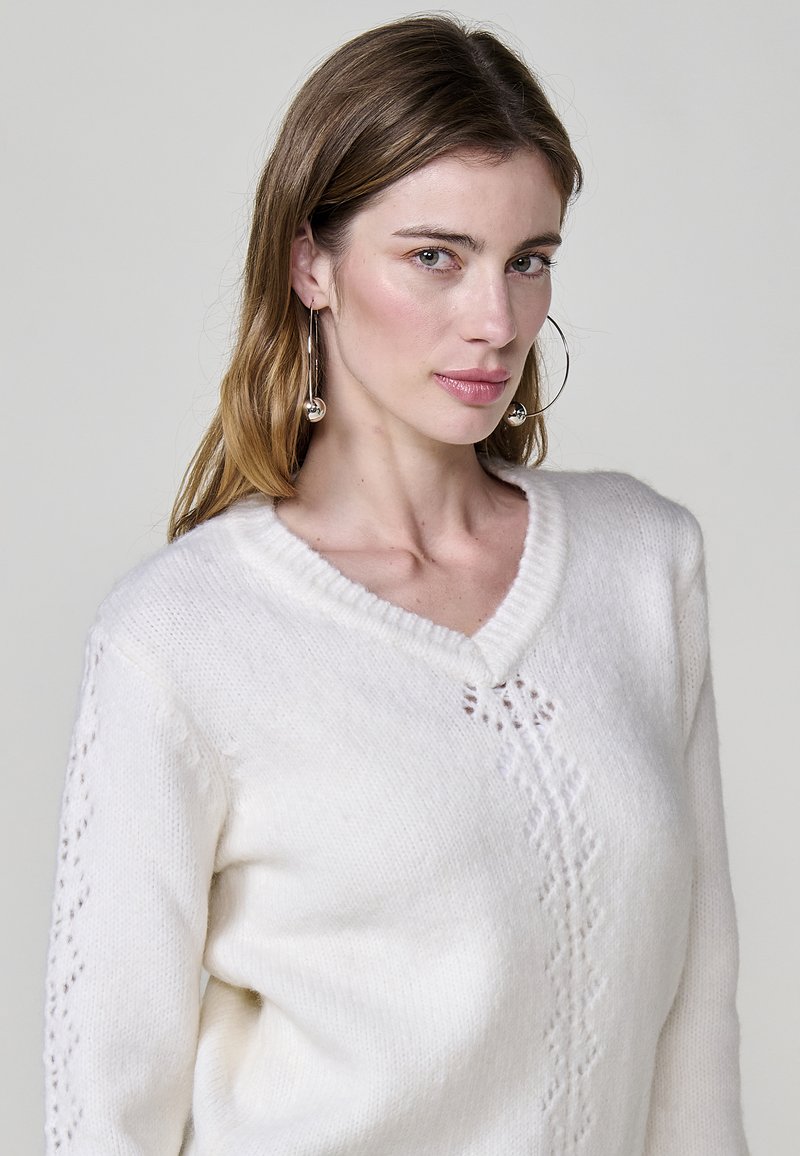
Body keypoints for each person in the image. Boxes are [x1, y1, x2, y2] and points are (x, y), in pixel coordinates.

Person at [43, 13, 749, 1155]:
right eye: (435, 257)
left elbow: (694, 1031)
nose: (496, 322)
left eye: (527, 260)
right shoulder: (179, 637)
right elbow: (103, 1109)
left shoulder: (641, 564)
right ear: (310, 264)